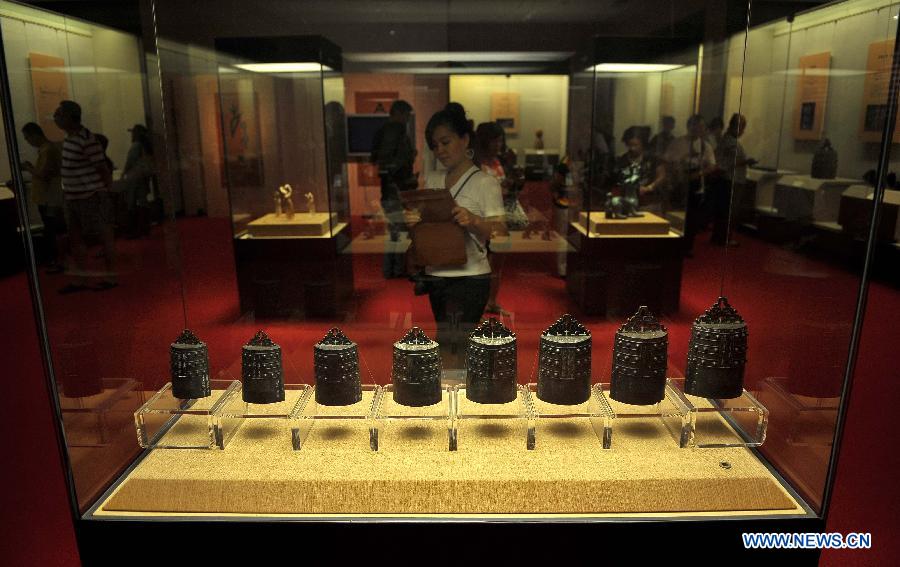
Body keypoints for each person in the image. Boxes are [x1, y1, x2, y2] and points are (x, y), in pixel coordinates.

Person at [404, 104, 506, 369]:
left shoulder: (486, 182)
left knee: (456, 344)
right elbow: (425, 229)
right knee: (448, 341)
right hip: (436, 273)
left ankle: (462, 396)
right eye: (435, 145)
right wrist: (414, 223)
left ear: (465, 139)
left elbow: (499, 231)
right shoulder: (433, 179)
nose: (440, 150)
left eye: (446, 142)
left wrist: (472, 220)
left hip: (470, 276)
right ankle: (454, 395)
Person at [54, 100, 117, 292]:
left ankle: (111, 276)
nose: (56, 117)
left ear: (70, 117)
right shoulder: (71, 139)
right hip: (73, 197)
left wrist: (107, 192)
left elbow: (102, 168)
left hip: (91, 196)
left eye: (59, 114)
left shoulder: (86, 139)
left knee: (104, 235)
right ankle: (82, 278)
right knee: (76, 238)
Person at [371, 100, 416, 278]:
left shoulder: (384, 131)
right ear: (398, 113)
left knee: (394, 231)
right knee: (397, 231)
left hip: (391, 187)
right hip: (396, 188)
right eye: (405, 115)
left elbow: (377, 158)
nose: (406, 119)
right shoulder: (394, 130)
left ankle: (392, 270)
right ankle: (395, 270)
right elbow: (389, 163)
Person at [475, 121, 515, 315]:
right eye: (495, 141)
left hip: (498, 215)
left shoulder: (496, 162)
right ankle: (480, 303)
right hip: (482, 218)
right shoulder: (476, 164)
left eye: (500, 140)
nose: (499, 145)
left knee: (497, 264)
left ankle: (491, 301)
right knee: (483, 263)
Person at [665, 114, 716, 257]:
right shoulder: (678, 142)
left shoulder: (705, 146)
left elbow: (712, 165)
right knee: (675, 215)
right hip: (678, 184)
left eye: (702, 127)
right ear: (689, 126)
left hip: (695, 185)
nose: (699, 129)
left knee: (692, 219)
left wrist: (699, 174)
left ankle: (687, 247)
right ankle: (673, 244)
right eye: (696, 126)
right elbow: (667, 161)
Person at [21, 122, 64, 273]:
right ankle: (55, 260)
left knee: (51, 229)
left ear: (34, 135)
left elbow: (43, 174)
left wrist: (28, 168)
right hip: (48, 196)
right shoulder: (47, 149)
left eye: (27, 138)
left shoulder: (48, 150)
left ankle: (56, 260)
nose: (27, 141)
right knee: (51, 228)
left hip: (48, 197)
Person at [712, 113, 757, 245]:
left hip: (731, 179)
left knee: (726, 211)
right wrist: (743, 162)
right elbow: (722, 163)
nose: (743, 131)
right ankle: (723, 238)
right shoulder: (728, 142)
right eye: (742, 128)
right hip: (730, 180)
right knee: (728, 211)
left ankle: (721, 237)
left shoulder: (728, 141)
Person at [613, 126, 666, 213]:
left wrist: (649, 187)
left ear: (643, 143)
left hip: (649, 202)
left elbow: (662, 176)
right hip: (628, 202)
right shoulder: (623, 159)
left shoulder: (652, 158)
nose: (632, 148)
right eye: (630, 145)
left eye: (636, 145)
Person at [120, 124, 155, 238]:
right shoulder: (146, 146)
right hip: (143, 176)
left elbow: (130, 161)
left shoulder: (135, 146)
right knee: (143, 201)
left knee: (131, 202)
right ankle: (144, 228)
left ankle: (132, 229)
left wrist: (124, 172)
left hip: (134, 177)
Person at [549, 162, 571, 277]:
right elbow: (554, 185)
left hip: (567, 205)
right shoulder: (565, 166)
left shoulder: (568, 164)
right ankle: (562, 268)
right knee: (563, 236)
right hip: (563, 206)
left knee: (565, 236)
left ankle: (564, 267)